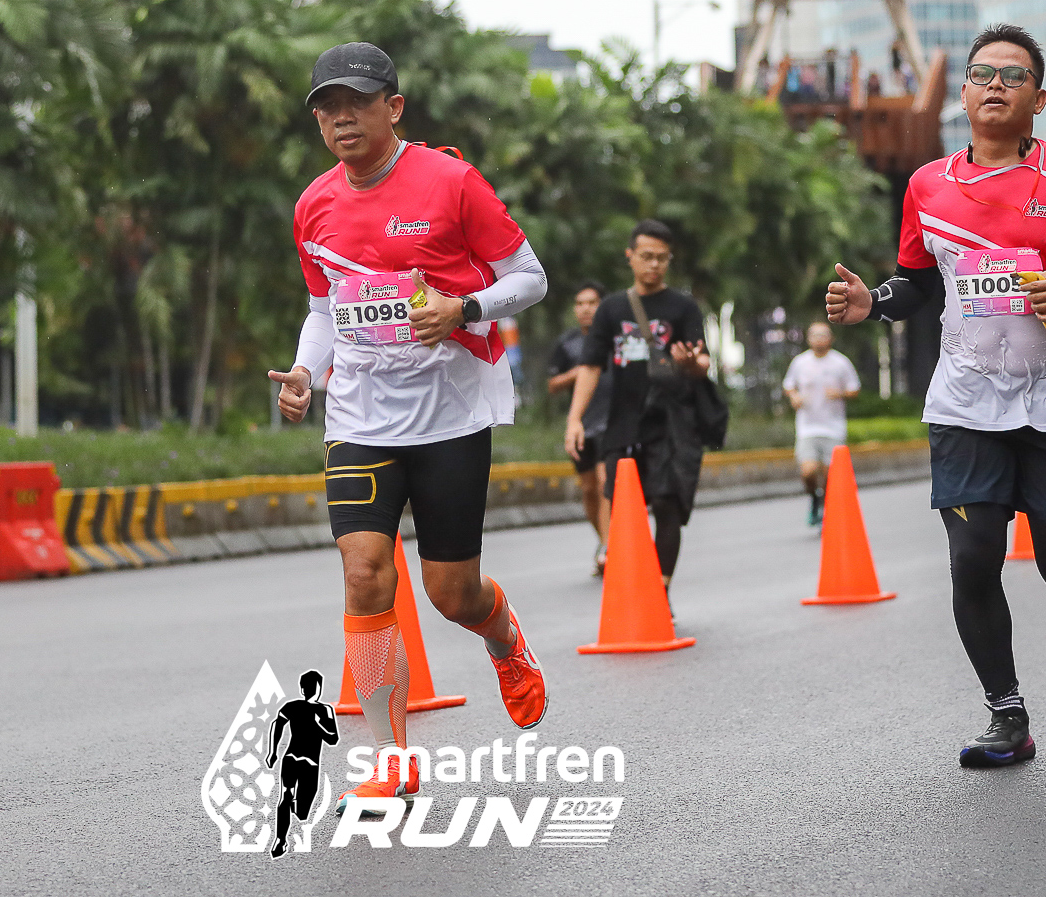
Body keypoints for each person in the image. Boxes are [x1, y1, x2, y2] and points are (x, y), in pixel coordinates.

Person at [824, 23, 1046, 769]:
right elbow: (918, 283)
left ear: (1039, 98)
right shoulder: (928, 186)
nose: (994, 84)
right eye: (981, 74)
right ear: (965, 96)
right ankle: (1007, 716)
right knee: (973, 558)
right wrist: (872, 303)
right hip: (967, 402)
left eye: (1013, 75)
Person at [266, 42, 550, 815]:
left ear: (393, 107)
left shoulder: (451, 182)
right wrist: (306, 372)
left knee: (452, 593)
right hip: (360, 415)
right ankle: (389, 759)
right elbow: (324, 311)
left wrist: (464, 308)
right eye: (326, 107)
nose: (340, 118)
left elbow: (531, 278)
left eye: (356, 103)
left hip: (451, 413)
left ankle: (504, 640)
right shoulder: (313, 205)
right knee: (364, 572)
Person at [565, 220, 712, 599]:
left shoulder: (683, 307)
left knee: (666, 503)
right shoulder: (612, 309)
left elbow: (703, 363)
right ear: (630, 256)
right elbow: (591, 366)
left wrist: (690, 363)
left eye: (662, 258)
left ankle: (660, 595)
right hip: (624, 423)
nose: (654, 264)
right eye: (647, 256)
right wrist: (575, 419)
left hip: (671, 422)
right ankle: (633, 589)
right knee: (623, 508)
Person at [548, 281, 612, 574]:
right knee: (588, 489)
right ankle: (605, 542)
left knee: (604, 482)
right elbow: (552, 385)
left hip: (611, 423)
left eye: (592, 302)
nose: (586, 309)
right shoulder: (568, 343)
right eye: (580, 303)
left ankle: (609, 547)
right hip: (582, 426)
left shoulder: (616, 340)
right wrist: (580, 372)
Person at [783, 322, 862, 527]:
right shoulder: (800, 362)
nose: (819, 339)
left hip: (833, 428)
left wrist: (840, 394)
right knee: (808, 471)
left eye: (823, 335)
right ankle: (814, 497)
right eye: (815, 335)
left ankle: (825, 507)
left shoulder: (840, 362)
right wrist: (794, 397)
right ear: (808, 338)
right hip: (807, 427)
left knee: (830, 475)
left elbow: (854, 389)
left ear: (831, 338)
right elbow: (789, 385)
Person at [265, 669, 339, 859]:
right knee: (285, 794)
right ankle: (280, 839)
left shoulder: (324, 710)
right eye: (309, 687)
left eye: (313, 686)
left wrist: (316, 725)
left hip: (307, 763)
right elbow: (277, 724)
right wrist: (273, 752)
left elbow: (333, 739)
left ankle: (293, 807)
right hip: (294, 759)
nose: (311, 690)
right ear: (304, 689)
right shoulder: (294, 706)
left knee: (302, 812)